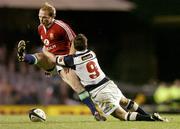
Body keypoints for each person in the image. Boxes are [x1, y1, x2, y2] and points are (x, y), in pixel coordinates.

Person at [43, 33, 169, 122]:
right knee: (125, 101)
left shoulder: (72, 60)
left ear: (74, 47)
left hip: (98, 92)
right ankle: (149, 115)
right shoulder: (92, 53)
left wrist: (45, 51)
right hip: (108, 83)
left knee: (122, 115)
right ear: (86, 45)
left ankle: (149, 118)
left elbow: (54, 59)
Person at [17, 2, 106, 121]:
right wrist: (47, 68)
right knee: (40, 56)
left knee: (77, 86)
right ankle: (24, 57)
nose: (41, 20)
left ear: (52, 17)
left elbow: (75, 41)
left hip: (68, 61)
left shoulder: (61, 26)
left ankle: (95, 112)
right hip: (54, 61)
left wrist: (67, 60)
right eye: (40, 17)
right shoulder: (40, 29)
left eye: (44, 17)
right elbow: (48, 46)